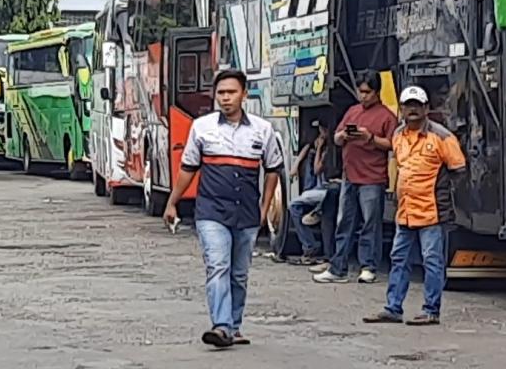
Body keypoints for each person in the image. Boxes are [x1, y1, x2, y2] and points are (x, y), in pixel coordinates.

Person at [162, 70, 283, 348]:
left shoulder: (262, 131)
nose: (226, 98)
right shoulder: (202, 127)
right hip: (211, 212)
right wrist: (172, 202)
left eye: (231, 92)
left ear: (244, 94)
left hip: (247, 214)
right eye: (221, 93)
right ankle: (221, 325)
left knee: (239, 274)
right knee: (218, 266)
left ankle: (233, 326)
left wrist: (265, 208)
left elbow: (273, 170)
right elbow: (188, 168)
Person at [363, 85, 466, 326]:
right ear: (401, 109)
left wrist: (441, 195)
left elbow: (458, 170)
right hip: (406, 211)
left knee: (432, 261)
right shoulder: (398, 135)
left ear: (426, 109)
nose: (412, 110)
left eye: (417, 105)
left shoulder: (441, 137)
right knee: (398, 259)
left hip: (431, 212)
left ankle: (431, 310)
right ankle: (393, 308)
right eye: (408, 105)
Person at [313, 71, 397, 284]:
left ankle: (368, 266)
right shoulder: (352, 111)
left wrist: (370, 138)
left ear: (377, 92)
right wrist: (343, 136)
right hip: (349, 176)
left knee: (371, 223)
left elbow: (392, 145)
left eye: (367, 92)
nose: (362, 96)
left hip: (373, 178)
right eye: (360, 92)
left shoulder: (387, 116)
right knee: (345, 223)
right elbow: (337, 138)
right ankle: (338, 267)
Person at [287, 118, 337, 265]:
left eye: (323, 130)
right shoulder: (316, 143)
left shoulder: (330, 149)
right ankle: (316, 211)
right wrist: (295, 165)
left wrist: (320, 149)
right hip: (316, 188)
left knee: (294, 205)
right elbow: (307, 148)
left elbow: (316, 169)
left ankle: (310, 245)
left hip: (324, 189)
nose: (321, 133)